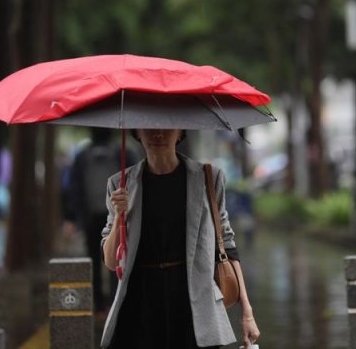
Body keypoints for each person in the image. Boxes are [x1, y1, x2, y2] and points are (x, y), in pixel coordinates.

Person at [101, 129, 260, 348]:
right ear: (137, 133)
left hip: (195, 304)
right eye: (149, 127)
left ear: (180, 133)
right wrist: (120, 214)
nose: (158, 134)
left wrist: (247, 313)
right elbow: (111, 262)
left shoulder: (209, 178)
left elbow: (226, 245)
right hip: (140, 303)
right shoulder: (119, 184)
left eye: (167, 127)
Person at [64, 128, 123, 314]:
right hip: (115, 216)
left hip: (91, 215)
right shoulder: (122, 154)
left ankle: (98, 304)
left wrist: (72, 217)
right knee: (117, 259)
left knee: (94, 259)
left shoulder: (81, 157)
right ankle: (114, 302)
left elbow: (73, 187)